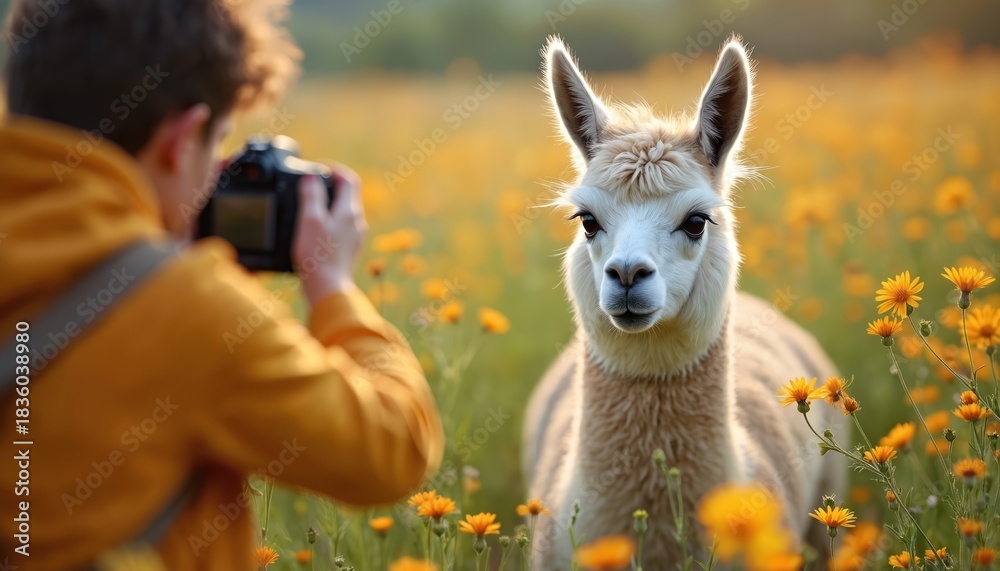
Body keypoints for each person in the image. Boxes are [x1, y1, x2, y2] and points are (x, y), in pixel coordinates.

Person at [0, 0, 444, 568]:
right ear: (180, 139)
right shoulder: (189, 311)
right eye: (217, 144)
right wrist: (333, 289)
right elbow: (394, 450)